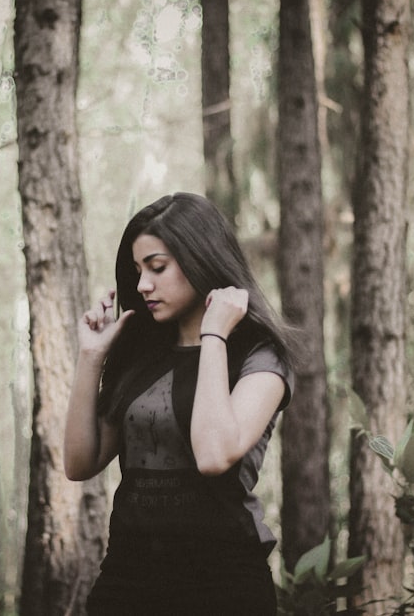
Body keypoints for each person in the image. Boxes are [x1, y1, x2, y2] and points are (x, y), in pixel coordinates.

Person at [64, 192, 297, 615]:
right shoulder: (140, 354)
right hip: (127, 581)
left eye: (157, 267)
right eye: (137, 271)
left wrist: (213, 334)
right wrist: (91, 356)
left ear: (200, 257)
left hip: (222, 585)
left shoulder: (260, 358)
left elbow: (213, 454)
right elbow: (80, 463)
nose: (142, 285)